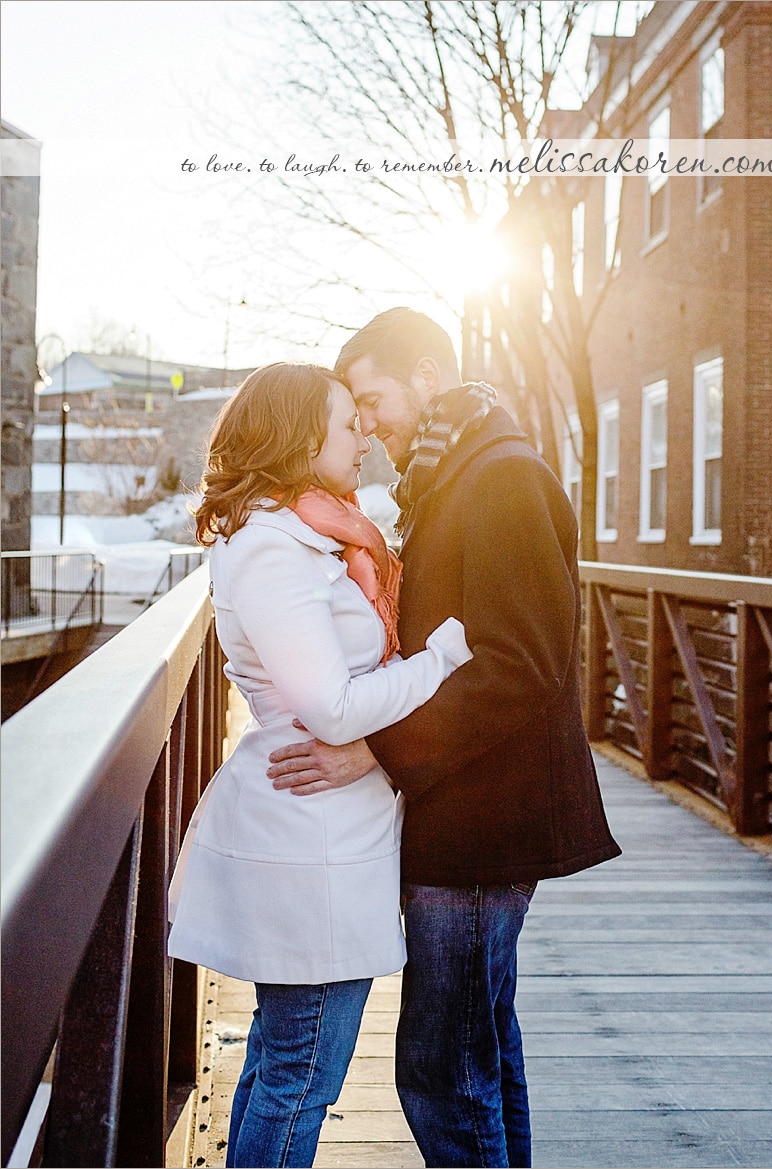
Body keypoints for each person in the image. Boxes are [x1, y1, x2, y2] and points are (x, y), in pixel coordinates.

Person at [267, 309, 622, 1169]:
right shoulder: (457, 472)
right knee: (479, 1052)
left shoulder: (501, 478)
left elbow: (517, 663)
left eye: (371, 397)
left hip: (482, 826)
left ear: (427, 377)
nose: (367, 421)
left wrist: (377, 749)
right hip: (467, 815)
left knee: (442, 1067)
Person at [167, 361, 472, 1169]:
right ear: (302, 436)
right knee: (300, 1075)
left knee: (282, 1060)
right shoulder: (273, 547)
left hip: (330, 835)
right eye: (347, 422)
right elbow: (330, 708)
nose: (364, 433)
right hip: (311, 845)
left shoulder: (312, 532)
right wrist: (441, 657)